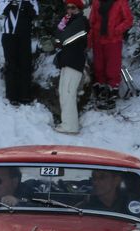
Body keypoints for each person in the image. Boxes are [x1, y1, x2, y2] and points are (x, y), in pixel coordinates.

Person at [88, 0, 133, 110]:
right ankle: (101, 92)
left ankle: (111, 93)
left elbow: (128, 20)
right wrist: (90, 39)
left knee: (112, 68)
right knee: (99, 67)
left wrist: (116, 30)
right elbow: (92, 21)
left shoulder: (120, 2)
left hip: (113, 40)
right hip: (98, 40)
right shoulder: (96, 2)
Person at [53, 0, 89, 134]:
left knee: (68, 93)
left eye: (73, 7)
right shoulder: (69, 22)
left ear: (78, 8)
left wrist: (61, 34)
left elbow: (64, 40)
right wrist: (61, 29)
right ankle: (66, 123)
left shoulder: (80, 22)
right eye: (67, 7)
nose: (69, 10)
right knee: (63, 92)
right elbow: (57, 40)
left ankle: (71, 126)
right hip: (66, 62)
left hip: (75, 62)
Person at [0, 0, 39, 105]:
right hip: (9, 34)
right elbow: (1, 10)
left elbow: (35, 13)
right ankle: (12, 95)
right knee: (11, 64)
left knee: (25, 63)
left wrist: (26, 3)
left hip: (24, 36)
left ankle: (24, 95)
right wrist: (12, 3)